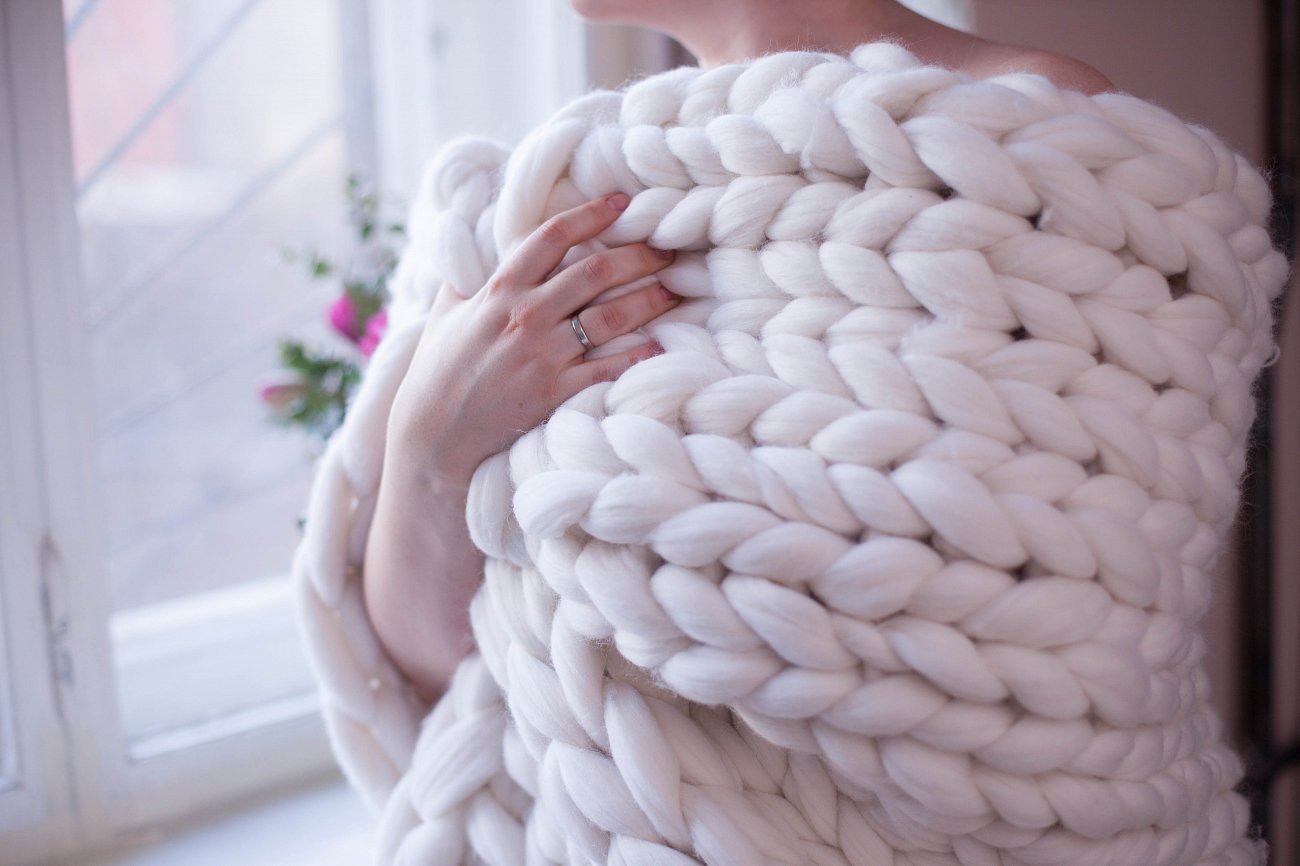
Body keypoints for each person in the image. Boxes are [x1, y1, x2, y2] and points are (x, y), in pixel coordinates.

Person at [362, 0, 1116, 705]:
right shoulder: (526, 206)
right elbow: (433, 687)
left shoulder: (1037, 126)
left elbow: (1069, 648)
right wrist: (428, 450)